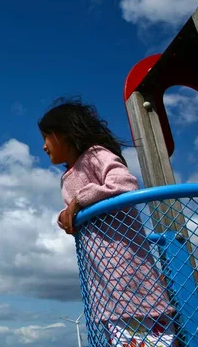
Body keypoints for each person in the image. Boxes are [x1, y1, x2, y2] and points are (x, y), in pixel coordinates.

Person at [38, 97, 176, 347]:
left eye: (47, 137)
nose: (44, 146)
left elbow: (124, 183)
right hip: (104, 287)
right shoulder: (67, 176)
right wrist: (65, 216)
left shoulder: (95, 155)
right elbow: (75, 209)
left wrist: (79, 201)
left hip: (129, 276)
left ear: (65, 134)